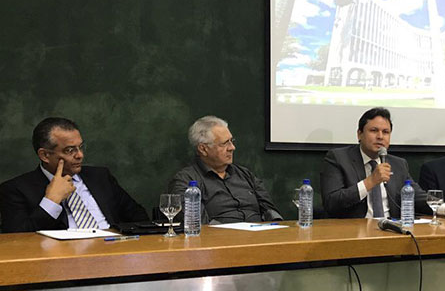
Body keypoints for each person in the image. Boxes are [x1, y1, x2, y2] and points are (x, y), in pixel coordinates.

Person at [0, 117, 148, 233]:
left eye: (81, 147)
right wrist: (51, 200)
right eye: (70, 150)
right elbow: (17, 239)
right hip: (61, 264)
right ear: (44, 155)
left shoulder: (100, 177)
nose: (80, 155)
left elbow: (139, 217)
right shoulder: (15, 190)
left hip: (114, 253)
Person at [321, 107, 445, 219]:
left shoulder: (398, 164)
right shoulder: (339, 158)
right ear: (359, 134)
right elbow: (332, 202)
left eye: (385, 132)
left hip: (390, 230)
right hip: (353, 232)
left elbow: (418, 196)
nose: (380, 136)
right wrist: (370, 182)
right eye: (374, 131)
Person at [169, 116, 282, 224]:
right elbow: (198, 223)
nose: (232, 148)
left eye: (231, 141)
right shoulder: (186, 180)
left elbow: (271, 212)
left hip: (259, 238)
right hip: (219, 241)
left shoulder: (245, 175)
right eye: (224, 143)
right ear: (203, 149)